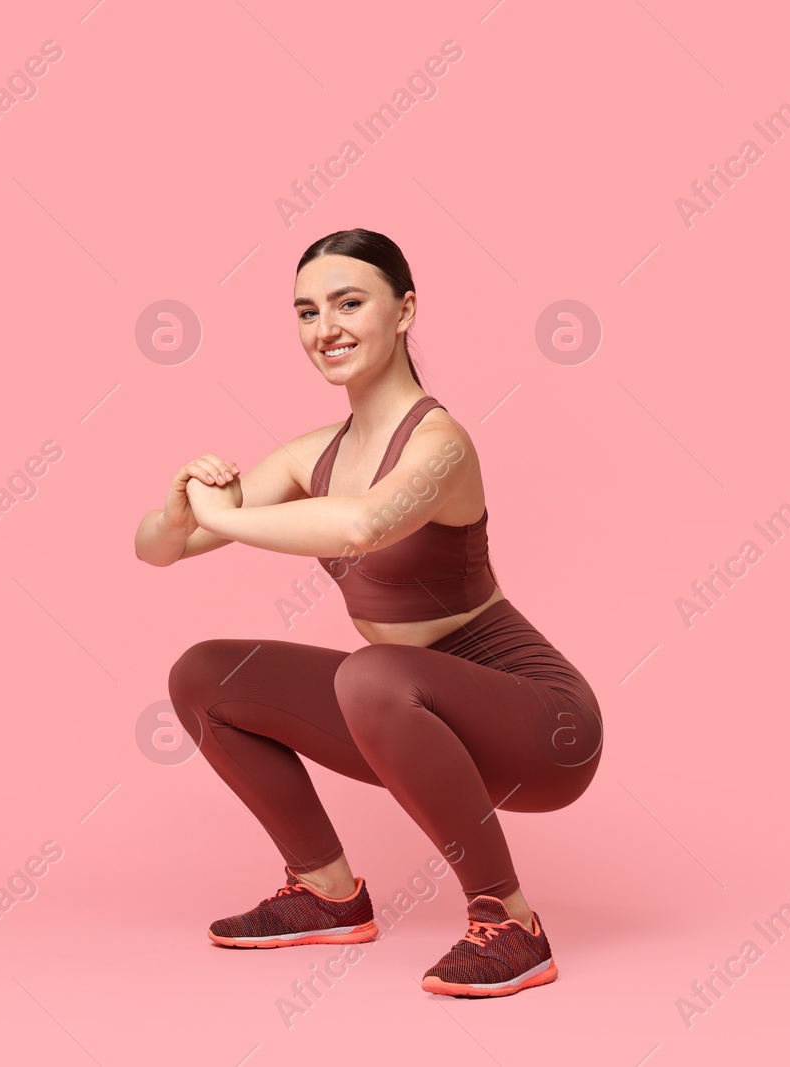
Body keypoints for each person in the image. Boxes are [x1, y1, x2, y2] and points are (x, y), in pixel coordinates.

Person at [134, 228, 603, 997]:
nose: (327, 329)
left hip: (544, 725)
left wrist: (223, 519)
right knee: (205, 674)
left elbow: (361, 527)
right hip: (404, 709)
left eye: (349, 302)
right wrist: (181, 500)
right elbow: (158, 550)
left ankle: (510, 922)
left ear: (405, 309)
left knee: (371, 672)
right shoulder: (312, 454)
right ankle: (325, 892)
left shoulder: (441, 443)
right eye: (307, 311)